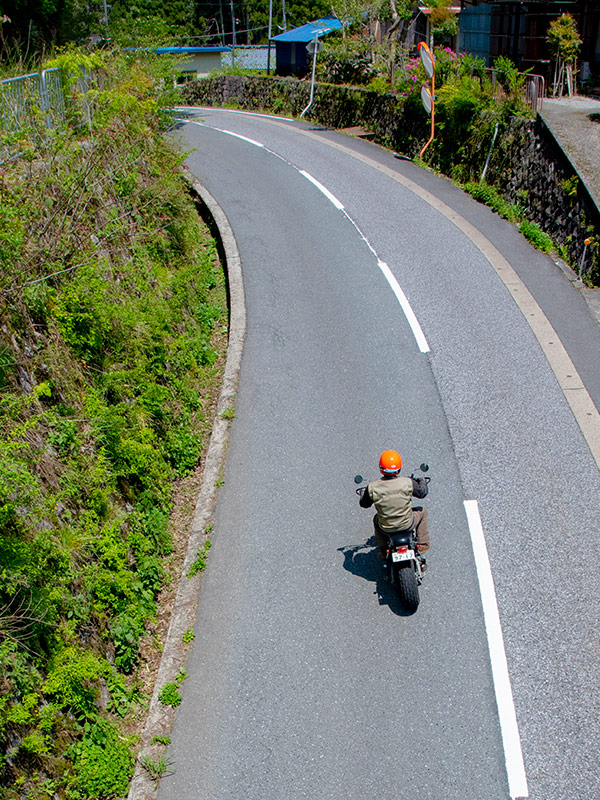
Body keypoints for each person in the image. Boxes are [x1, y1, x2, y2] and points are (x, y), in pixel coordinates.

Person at [358, 449, 430, 563]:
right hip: (407, 524)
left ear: (380, 468)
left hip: (386, 527)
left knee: (376, 519)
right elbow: (422, 493)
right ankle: (422, 544)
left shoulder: (373, 487)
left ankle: (383, 549)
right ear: (399, 467)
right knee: (423, 512)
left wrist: (365, 493)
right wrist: (421, 481)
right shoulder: (407, 482)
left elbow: (364, 504)